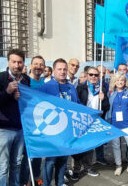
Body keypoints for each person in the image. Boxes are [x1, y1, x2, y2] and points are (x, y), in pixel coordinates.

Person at [0, 49, 30, 185]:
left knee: (16, 164)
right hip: (2, 129)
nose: (17, 65)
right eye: (14, 62)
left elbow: (28, 101)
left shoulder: (26, 80)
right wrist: (7, 92)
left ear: (24, 63)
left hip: (19, 128)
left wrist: (21, 99)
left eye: (20, 62)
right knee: (3, 166)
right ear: (8, 62)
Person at [40, 58, 79, 186]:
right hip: (52, 131)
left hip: (67, 131)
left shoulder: (71, 87)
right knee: (50, 161)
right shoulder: (46, 87)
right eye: (59, 69)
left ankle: (60, 182)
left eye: (64, 69)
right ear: (54, 70)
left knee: (63, 160)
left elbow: (77, 106)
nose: (62, 72)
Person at [71, 67, 110, 180]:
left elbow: (106, 107)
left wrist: (103, 99)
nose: (93, 77)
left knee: (91, 146)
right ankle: (76, 170)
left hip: (95, 121)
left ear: (99, 77)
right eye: (91, 74)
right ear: (87, 75)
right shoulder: (80, 87)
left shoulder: (102, 88)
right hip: (82, 120)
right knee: (80, 146)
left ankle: (88, 167)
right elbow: (76, 104)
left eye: (96, 75)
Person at [20, 55, 45, 186]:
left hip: (41, 124)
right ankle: (24, 182)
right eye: (36, 64)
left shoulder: (44, 83)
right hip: (27, 124)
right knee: (27, 155)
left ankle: (35, 178)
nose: (38, 67)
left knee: (38, 153)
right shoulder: (24, 82)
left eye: (41, 65)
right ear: (30, 65)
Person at [106, 73, 128, 177]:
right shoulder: (110, 93)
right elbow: (107, 107)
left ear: (125, 82)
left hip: (127, 124)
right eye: (117, 80)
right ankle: (118, 166)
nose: (120, 82)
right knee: (116, 146)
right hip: (114, 124)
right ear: (114, 82)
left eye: (122, 80)